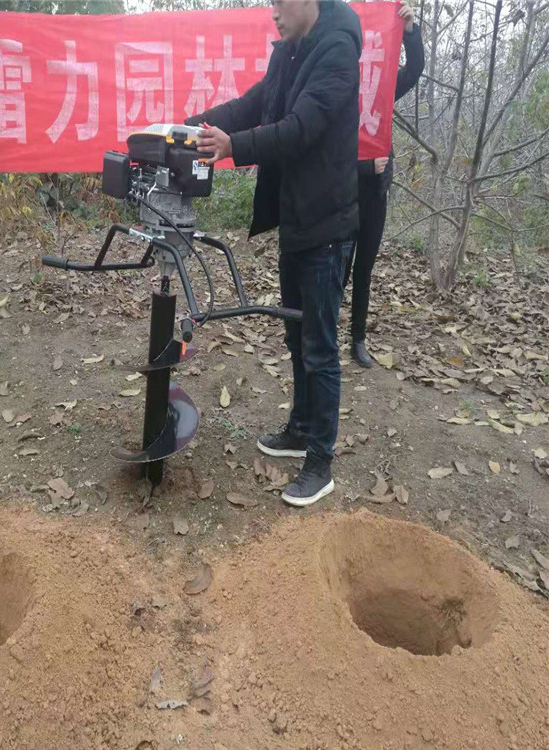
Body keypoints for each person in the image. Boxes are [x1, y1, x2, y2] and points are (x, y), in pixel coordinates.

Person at [187, 0, 361, 507]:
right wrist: (189, 127)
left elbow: (301, 128)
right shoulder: (290, 50)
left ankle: (320, 463)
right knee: (296, 334)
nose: (274, 14)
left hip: (328, 224)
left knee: (320, 346)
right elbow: (253, 104)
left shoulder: (337, 50)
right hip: (297, 219)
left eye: (281, 4)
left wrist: (234, 146)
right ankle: (301, 429)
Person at [346, 2, 424, 367]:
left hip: (375, 193)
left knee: (364, 267)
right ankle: (325, 331)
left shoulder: (384, 88)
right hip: (343, 192)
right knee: (339, 266)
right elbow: (326, 154)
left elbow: (416, 69)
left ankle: (357, 338)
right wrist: (364, 166)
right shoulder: (339, 93)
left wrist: (410, 32)